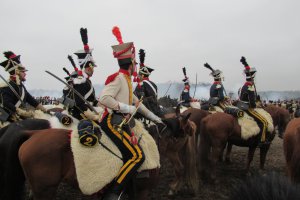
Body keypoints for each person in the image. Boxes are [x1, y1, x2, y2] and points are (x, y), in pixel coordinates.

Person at [98, 26, 162, 200]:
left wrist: (156, 119)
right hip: (111, 121)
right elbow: (103, 98)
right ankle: (114, 193)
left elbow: (138, 105)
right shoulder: (118, 79)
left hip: (121, 122)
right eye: (135, 61)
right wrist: (126, 108)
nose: (136, 65)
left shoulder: (126, 80)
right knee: (137, 156)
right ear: (131, 63)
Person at [0, 51, 46, 123]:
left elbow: (30, 99)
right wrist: (22, 112)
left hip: (18, 118)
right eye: (23, 72)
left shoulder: (20, 86)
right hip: (7, 119)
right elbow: (7, 103)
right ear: (17, 72)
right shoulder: (6, 86)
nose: (25, 74)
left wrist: (44, 109)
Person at [67, 28, 99, 121]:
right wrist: (92, 116)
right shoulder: (80, 80)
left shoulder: (86, 80)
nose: (93, 69)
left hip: (87, 110)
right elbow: (78, 103)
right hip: (80, 114)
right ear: (88, 66)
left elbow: (92, 99)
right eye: (92, 67)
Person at [238, 56, 269, 144]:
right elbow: (252, 103)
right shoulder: (250, 86)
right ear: (253, 77)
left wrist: (245, 64)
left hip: (241, 105)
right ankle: (262, 141)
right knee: (264, 122)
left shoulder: (244, 85)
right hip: (247, 108)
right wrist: (257, 105)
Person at [134, 49, 161, 117]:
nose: (137, 75)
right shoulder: (153, 84)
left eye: (139, 74)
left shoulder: (142, 83)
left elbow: (138, 98)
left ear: (142, 75)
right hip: (156, 109)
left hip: (147, 111)